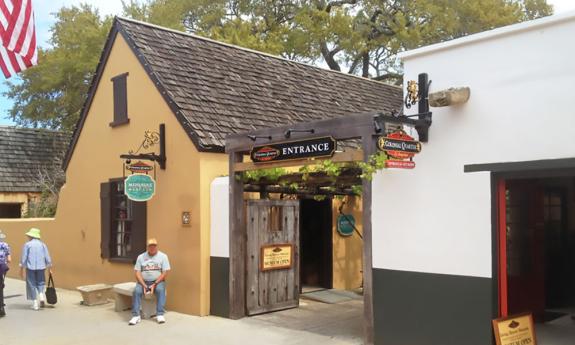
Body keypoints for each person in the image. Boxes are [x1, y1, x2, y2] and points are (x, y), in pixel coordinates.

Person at [129, 238, 171, 325]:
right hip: (143, 281)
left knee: (160, 290)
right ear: (147, 247)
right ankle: (136, 316)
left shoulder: (163, 256)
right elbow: (137, 272)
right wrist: (144, 285)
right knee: (136, 291)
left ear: (157, 246)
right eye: (150, 246)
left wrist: (155, 283)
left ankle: (160, 314)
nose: (152, 248)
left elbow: (165, 273)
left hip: (158, 281)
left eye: (154, 246)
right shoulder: (141, 257)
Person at [19, 228, 52, 311]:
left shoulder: (27, 245)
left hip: (30, 268)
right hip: (41, 267)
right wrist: (49, 268)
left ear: (31, 236)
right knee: (41, 282)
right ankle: (41, 295)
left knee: (31, 284)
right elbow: (47, 257)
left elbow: (24, 258)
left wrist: (21, 268)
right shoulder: (43, 245)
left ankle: (35, 304)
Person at [0, 230, 11, 317]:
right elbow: (9, 259)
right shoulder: (5, 245)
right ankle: (1, 308)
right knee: (0, 287)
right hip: (2, 267)